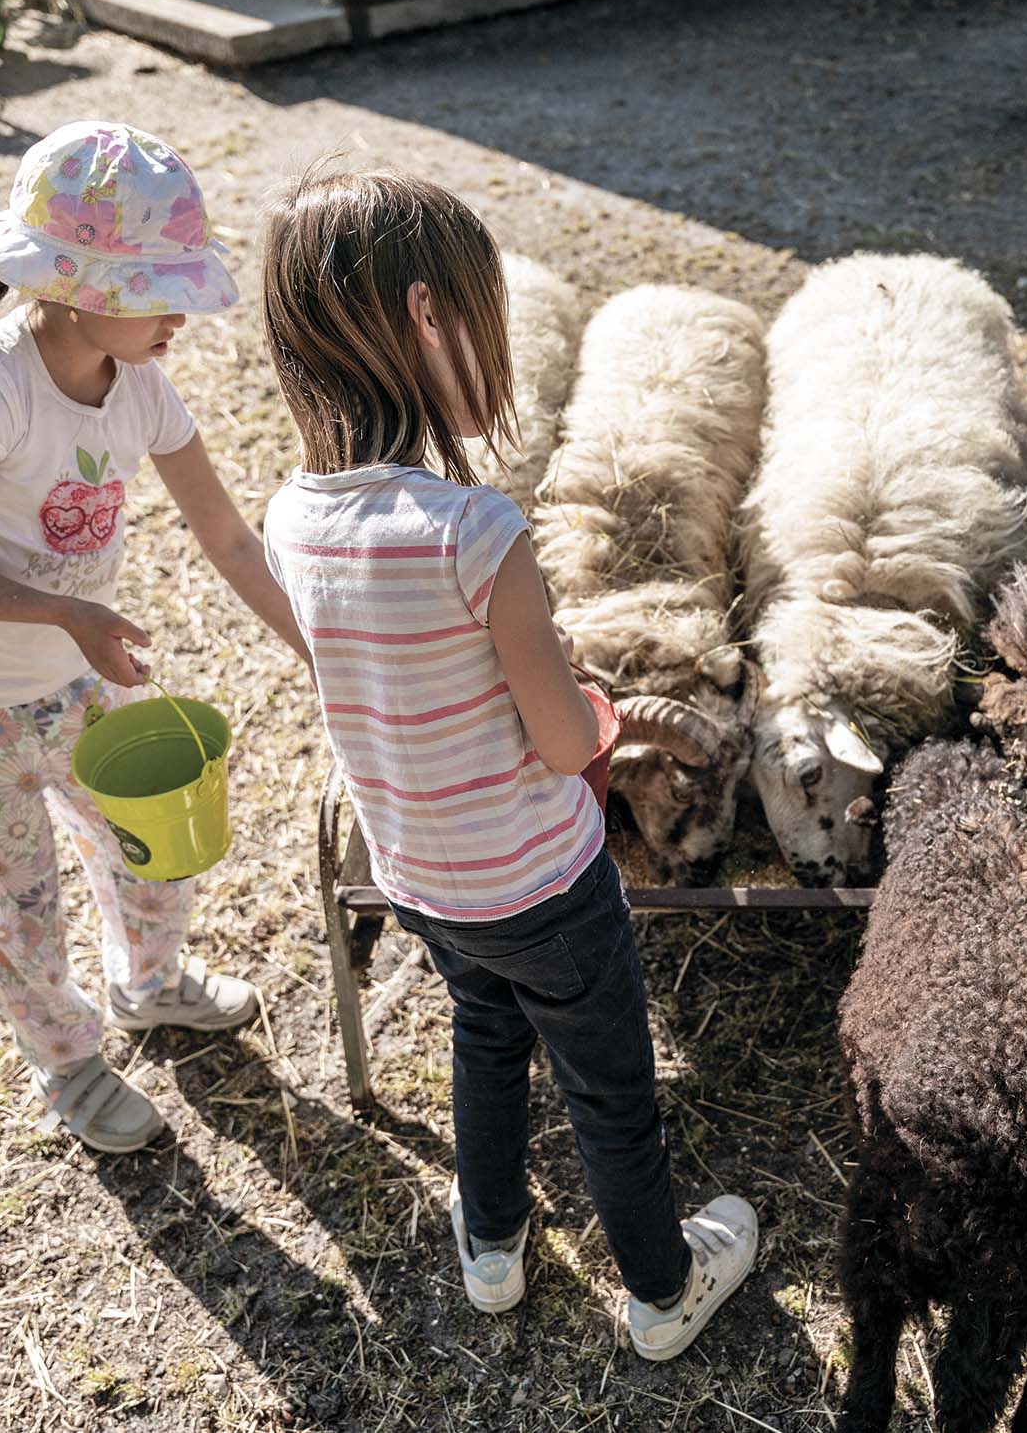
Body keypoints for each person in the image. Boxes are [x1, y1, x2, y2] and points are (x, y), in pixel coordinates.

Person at [257, 167, 760, 1360]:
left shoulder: (293, 515)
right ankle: (660, 1286)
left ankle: (489, 1249)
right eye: (482, 321)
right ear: (429, 319)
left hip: (423, 880)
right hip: (542, 882)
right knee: (607, 1090)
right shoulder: (475, 531)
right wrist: (597, 707)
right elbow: (562, 738)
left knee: (482, 1043)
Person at [0, 121, 307, 1153]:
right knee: (14, 903)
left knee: (153, 847)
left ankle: (148, 983)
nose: (181, 318)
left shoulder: (143, 386)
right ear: (82, 288)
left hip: (77, 682)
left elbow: (230, 538)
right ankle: (68, 1066)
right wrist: (70, 612)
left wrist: (323, 650)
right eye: (162, 292)